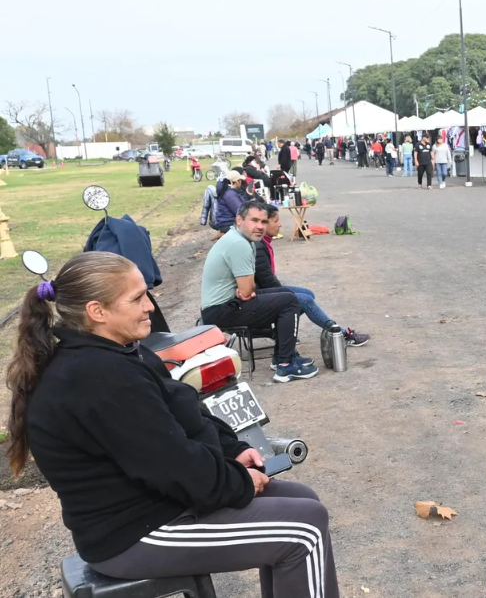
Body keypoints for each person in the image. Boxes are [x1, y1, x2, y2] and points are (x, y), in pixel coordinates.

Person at [5, 251, 340, 598]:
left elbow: (186, 410)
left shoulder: (121, 352)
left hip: (155, 505)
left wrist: (235, 451)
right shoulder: (98, 376)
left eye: (146, 293)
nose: (149, 305)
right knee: (304, 529)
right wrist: (237, 481)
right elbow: (171, 465)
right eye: (136, 299)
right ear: (97, 311)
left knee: (305, 500)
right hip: (133, 532)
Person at [200, 201, 318, 382]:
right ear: (239, 220)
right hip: (221, 311)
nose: (260, 226)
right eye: (254, 220)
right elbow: (247, 290)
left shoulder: (242, 239)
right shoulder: (238, 244)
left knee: (287, 297)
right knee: (289, 302)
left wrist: (245, 291)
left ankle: (281, 357)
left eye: (263, 222)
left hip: (228, 304)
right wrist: (245, 291)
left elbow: (247, 289)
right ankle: (285, 367)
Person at [254, 205, 370, 347]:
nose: (280, 224)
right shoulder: (258, 247)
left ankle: (281, 331)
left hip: (263, 291)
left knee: (308, 294)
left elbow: (268, 281)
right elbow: (268, 283)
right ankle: (340, 333)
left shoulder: (264, 244)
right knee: (305, 300)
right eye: (276, 221)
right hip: (259, 296)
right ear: (264, 223)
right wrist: (287, 295)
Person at [212, 170, 250, 236]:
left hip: (228, 222)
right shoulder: (230, 194)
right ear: (236, 182)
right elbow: (240, 210)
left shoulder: (231, 191)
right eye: (240, 180)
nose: (241, 182)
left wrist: (247, 195)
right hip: (229, 223)